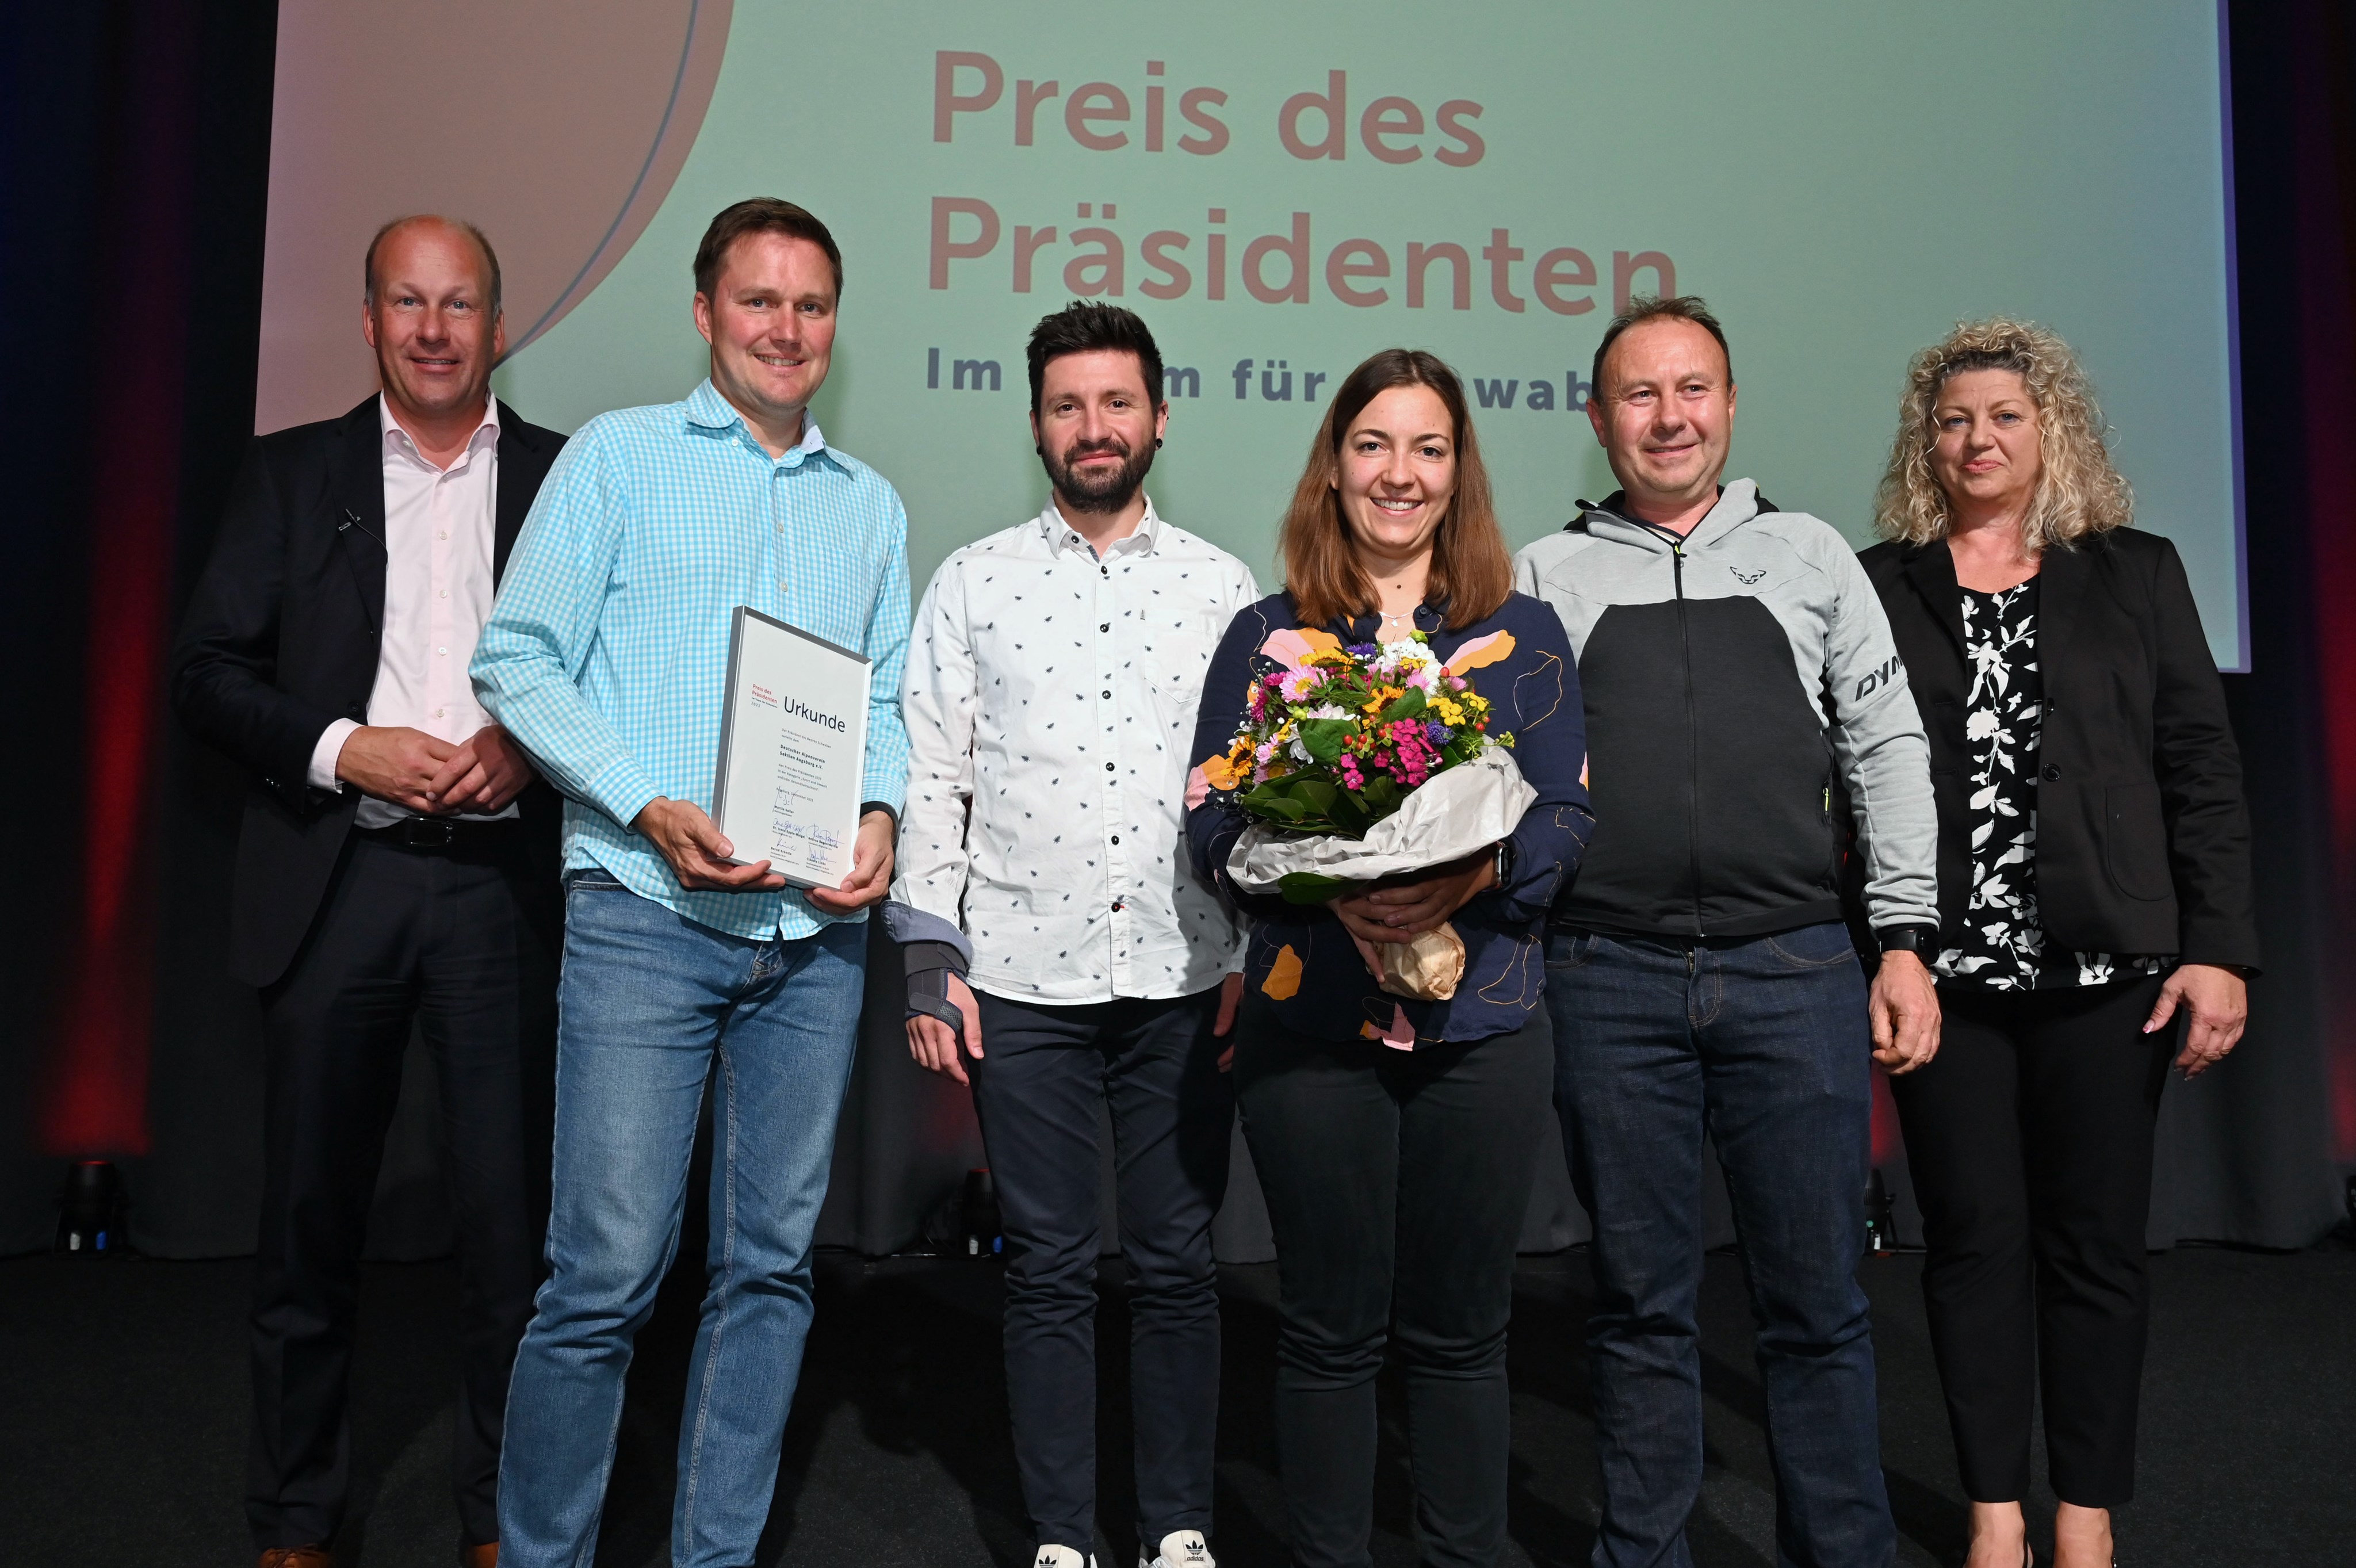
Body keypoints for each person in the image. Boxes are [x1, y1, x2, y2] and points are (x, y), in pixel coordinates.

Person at [469, 198, 911, 1568]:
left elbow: (884, 697)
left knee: (769, 1274)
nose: (787, 329)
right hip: (644, 919)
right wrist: (647, 802)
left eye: (812, 305)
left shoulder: (871, 507)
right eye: (759, 301)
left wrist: (883, 813)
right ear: (706, 312)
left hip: (810, 942)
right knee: (600, 1279)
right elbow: (517, 659)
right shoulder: (617, 460)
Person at [1514, 295, 1941, 1567]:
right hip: (1603, 979)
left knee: (1814, 1306)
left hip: (1796, 970)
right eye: (1637, 395)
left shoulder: (1812, 558)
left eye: (1690, 388)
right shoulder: (1544, 573)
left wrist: (1903, 940)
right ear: (1596, 419)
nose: (1667, 417)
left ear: (1730, 403)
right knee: (1637, 1306)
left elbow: (1885, 748)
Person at [172, 215, 565, 1568]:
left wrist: (535, 745)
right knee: (307, 1225)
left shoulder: (573, 481)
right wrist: (347, 748)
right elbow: (206, 671)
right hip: (336, 878)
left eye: (460, 303)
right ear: (369, 321)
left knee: (511, 1237)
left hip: (505, 896)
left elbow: (633, 678)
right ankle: (294, 1520)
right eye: (409, 301)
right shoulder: (292, 476)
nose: (436, 328)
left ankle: (503, 1518)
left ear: (499, 325)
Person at [1857, 319, 2257, 1568]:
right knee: (1970, 1244)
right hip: (1946, 982)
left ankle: (2082, 1515)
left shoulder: (2132, 572)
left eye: (2004, 417)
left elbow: (2197, 766)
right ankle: (1991, 1515)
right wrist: (1892, 945)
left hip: (2108, 973)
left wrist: (2217, 949)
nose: (1977, 438)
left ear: (2053, 433)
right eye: (1954, 418)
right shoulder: (1880, 582)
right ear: (1927, 441)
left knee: (2090, 1249)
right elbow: (1853, 779)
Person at [1185, 349, 1593, 1568]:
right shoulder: (1265, 637)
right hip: (1309, 1023)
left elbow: (1566, 816)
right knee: (1326, 1331)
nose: (1397, 473)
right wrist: (1334, 891)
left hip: (1486, 1021)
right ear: (1333, 464)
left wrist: (1464, 878)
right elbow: (1210, 824)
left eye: (1426, 447)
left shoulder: (1522, 636)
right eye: (1372, 444)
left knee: (1464, 1334)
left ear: (1458, 470)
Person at [896, 301, 1259, 1568]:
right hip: (1020, 985)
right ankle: (1060, 1539)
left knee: (1174, 1265)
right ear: (1036, 426)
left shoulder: (1225, 590)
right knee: (1047, 1270)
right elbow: (930, 778)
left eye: (1116, 403)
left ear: (1159, 417)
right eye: (1066, 405)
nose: (1092, 427)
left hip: (1180, 976)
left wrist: (1248, 952)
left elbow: (1256, 793)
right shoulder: (971, 583)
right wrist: (931, 964)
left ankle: (1176, 1527)